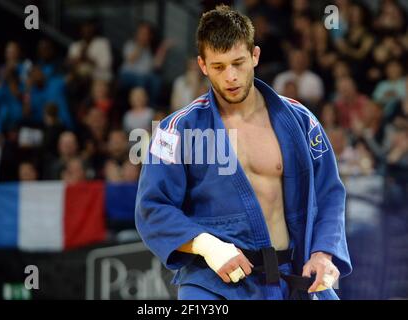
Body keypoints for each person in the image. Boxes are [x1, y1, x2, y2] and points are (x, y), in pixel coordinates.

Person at [135, 5, 351, 300]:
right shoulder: (177, 130)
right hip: (213, 283)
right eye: (219, 67)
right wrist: (207, 245)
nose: (230, 77)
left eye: (238, 63)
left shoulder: (300, 120)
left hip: (294, 276)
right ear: (202, 65)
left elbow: (329, 193)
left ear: (255, 56)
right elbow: (152, 209)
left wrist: (324, 253)